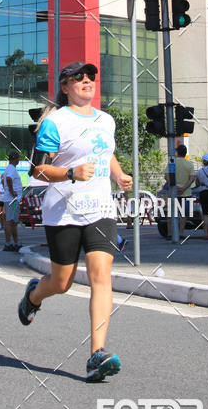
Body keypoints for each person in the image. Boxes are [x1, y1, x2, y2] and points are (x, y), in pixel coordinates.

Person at [18, 61, 132, 382]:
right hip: (63, 212)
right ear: (65, 87)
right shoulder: (56, 122)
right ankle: (34, 296)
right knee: (62, 283)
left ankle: (97, 354)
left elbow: (104, 152)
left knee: (101, 276)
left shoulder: (105, 120)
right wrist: (70, 172)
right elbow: (37, 170)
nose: (86, 81)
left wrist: (119, 174)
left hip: (100, 210)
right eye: (77, 78)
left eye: (90, 76)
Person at [165, 144, 196, 237]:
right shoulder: (189, 164)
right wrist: (183, 188)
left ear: (177, 153)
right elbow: (192, 179)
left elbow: (166, 176)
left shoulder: (172, 162)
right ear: (185, 153)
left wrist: (175, 186)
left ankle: (170, 233)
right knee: (184, 215)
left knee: (170, 214)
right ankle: (181, 233)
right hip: (186, 193)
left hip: (173, 193)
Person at [1, 151, 23, 252]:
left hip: (12, 199)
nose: (19, 160)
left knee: (13, 221)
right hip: (12, 199)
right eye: (18, 158)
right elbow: (9, 179)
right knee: (10, 221)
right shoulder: (11, 169)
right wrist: (11, 191)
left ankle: (15, 242)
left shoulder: (9, 168)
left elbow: (3, 179)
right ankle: (8, 243)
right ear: (15, 159)